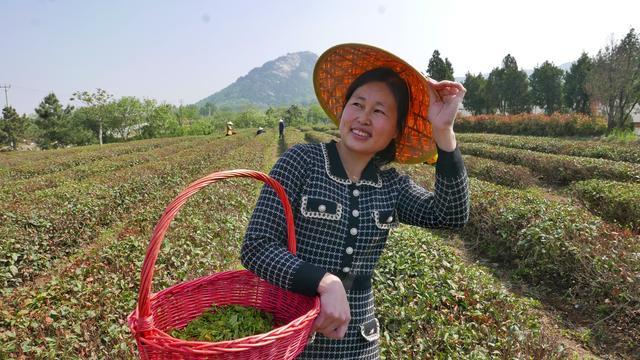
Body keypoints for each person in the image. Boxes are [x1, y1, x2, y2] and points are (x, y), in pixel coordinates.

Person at [241, 43, 469, 359]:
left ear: (394, 131)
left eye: (379, 111)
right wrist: (324, 281)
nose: (363, 117)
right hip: (293, 335)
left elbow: (451, 215)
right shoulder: (301, 162)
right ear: (343, 109)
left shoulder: (391, 185)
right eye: (357, 104)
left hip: (358, 344)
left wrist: (443, 132)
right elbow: (257, 246)